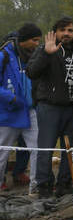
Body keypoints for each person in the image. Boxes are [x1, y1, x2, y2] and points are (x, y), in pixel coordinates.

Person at [26, 17, 73, 197]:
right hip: (49, 107)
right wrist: (46, 53)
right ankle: (43, 186)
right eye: (62, 30)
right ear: (55, 32)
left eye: (70, 30)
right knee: (46, 147)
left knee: (71, 149)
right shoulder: (46, 49)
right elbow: (31, 72)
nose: (66, 34)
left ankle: (64, 184)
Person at [0, 23, 41, 195]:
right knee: (2, 151)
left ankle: (36, 185)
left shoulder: (32, 55)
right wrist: (12, 98)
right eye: (34, 40)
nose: (37, 44)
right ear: (23, 40)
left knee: (38, 148)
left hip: (30, 110)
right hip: (8, 113)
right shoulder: (4, 56)